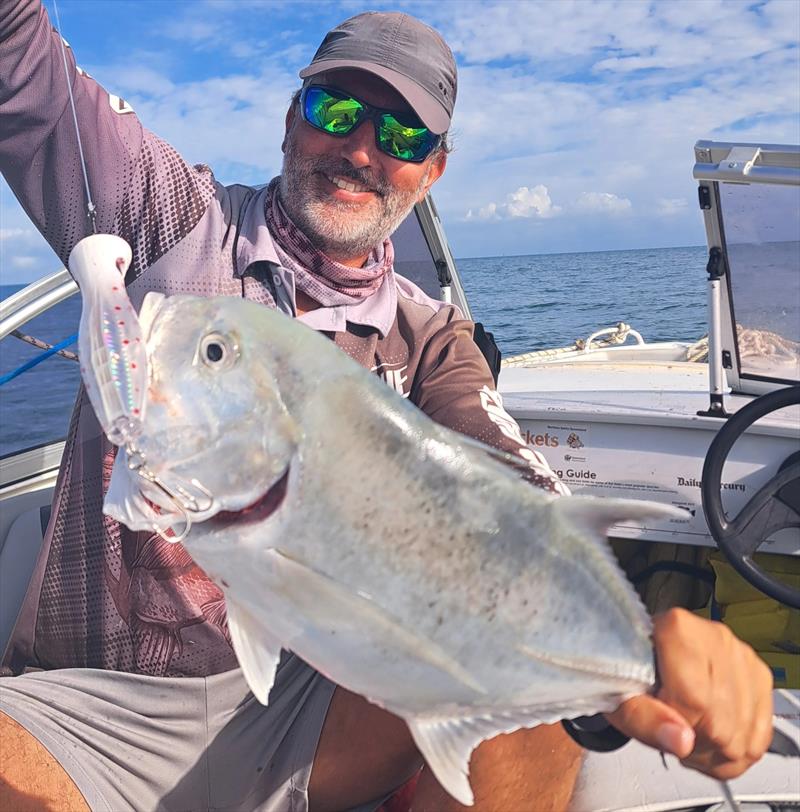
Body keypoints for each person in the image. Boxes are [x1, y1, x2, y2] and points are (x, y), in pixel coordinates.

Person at [0, 3, 774, 811]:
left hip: (314, 691)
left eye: (404, 136)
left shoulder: (433, 340)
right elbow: (24, 66)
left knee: (527, 714)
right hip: (94, 705)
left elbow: (513, 486)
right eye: (335, 108)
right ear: (291, 121)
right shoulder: (171, 221)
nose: (361, 149)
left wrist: (641, 647)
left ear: (432, 170)